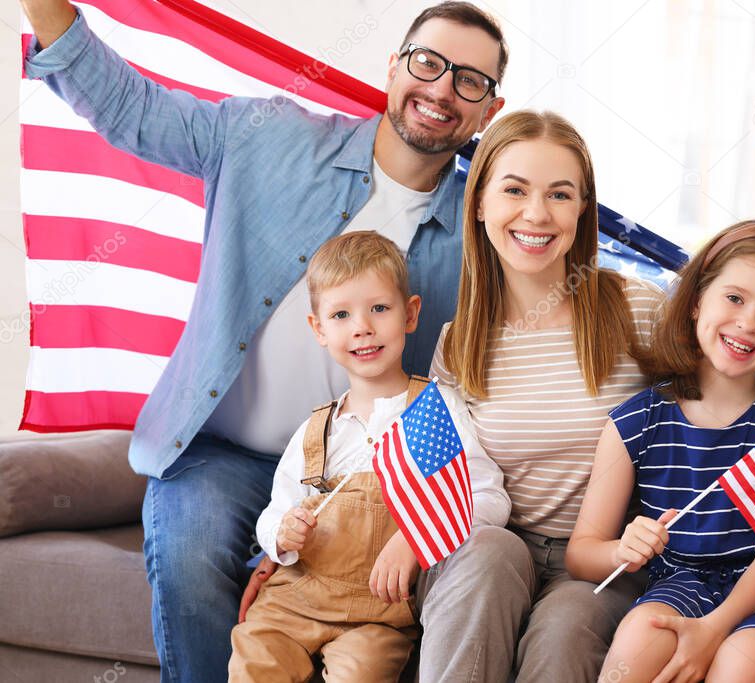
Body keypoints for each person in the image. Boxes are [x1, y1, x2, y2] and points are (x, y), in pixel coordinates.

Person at [19, 1, 507, 680]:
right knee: (190, 557)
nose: (442, 90)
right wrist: (46, 11)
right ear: (394, 67)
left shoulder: (485, 234)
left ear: (489, 108)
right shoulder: (270, 136)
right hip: (219, 456)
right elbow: (135, 109)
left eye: (470, 81)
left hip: (363, 479)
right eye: (428, 63)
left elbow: (556, 274)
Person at [424, 110, 667, 681]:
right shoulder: (457, 344)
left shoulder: (639, 310)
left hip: (603, 563)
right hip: (494, 549)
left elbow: (710, 423)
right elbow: (437, 479)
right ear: (479, 201)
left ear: (582, 210)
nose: (536, 213)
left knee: (562, 629)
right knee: (488, 555)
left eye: (560, 195)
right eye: (515, 190)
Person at [565, 220, 755, 682]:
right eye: (735, 298)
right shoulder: (635, 420)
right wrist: (623, 548)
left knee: (739, 662)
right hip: (683, 582)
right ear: (698, 298)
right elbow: (581, 554)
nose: (748, 323)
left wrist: (714, 629)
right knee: (637, 643)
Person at [228, 231, 509, 682]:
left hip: (376, 613)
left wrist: (417, 538)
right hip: (292, 600)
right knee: (255, 664)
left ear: (410, 314)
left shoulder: (430, 411)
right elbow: (274, 511)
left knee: (364, 673)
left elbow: (487, 498)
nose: (362, 327)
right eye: (341, 314)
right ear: (319, 329)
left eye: (379, 308)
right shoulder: (316, 429)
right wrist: (281, 533)